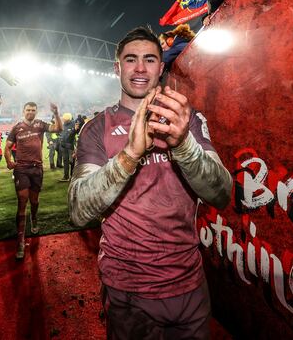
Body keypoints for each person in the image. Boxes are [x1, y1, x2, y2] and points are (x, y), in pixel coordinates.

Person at [69, 26, 232, 339]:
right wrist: (130, 154)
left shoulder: (187, 119)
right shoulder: (96, 128)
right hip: (129, 292)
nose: (140, 68)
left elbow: (221, 194)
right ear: (118, 68)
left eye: (149, 59)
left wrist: (182, 143)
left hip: (190, 284)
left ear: (161, 66)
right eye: (131, 60)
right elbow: (78, 210)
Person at [5, 101, 62, 260]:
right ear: (23, 111)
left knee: (34, 201)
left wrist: (56, 113)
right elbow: (7, 148)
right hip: (21, 169)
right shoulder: (17, 128)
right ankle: (20, 241)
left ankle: (34, 218)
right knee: (22, 201)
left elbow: (58, 128)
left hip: (36, 168)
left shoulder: (40, 125)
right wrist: (9, 161)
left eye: (33, 110)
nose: (30, 112)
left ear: (36, 112)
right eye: (28, 110)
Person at [58, 113, 79, 182]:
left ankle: (72, 176)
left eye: (65, 120)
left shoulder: (74, 124)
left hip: (70, 146)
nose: (64, 121)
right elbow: (61, 133)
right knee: (65, 161)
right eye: (63, 119)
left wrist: (75, 130)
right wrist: (60, 138)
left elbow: (74, 134)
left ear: (69, 119)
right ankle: (66, 176)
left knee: (72, 161)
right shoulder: (63, 125)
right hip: (63, 145)